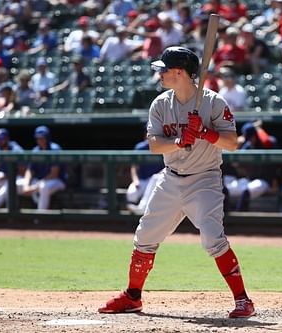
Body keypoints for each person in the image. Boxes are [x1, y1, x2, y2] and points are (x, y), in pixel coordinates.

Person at [98, 46, 255, 318]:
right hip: (170, 179)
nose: (160, 74)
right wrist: (181, 140)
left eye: (164, 69)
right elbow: (155, 145)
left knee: (212, 239)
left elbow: (232, 143)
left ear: (179, 72)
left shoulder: (213, 102)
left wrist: (205, 132)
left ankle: (243, 301)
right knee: (145, 236)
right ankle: (132, 296)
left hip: (204, 179)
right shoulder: (160, 103)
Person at [23, 126, 66, 211]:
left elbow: (54, 174)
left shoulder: (55, 149)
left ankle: (40, 215)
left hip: (57, 181)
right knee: (17, 185)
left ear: (47, 138)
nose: (40, 141)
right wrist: (26, 185)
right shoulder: (35, 150)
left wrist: (36, 186)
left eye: (42, 138)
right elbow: (30, 170)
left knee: (43, 187)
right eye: (38, 138)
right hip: (40, 180)